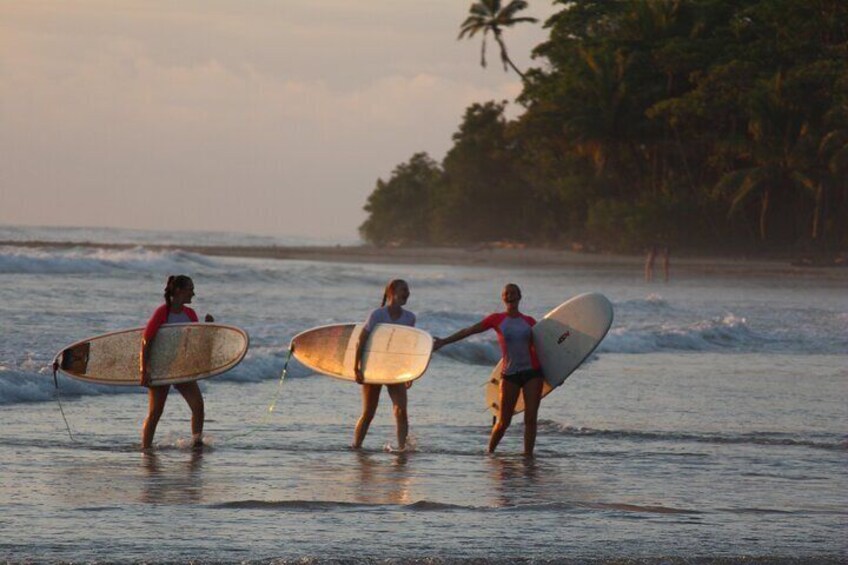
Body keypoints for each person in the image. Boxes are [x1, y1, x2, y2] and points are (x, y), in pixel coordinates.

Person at [433, 283, 543, 457]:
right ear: (503, 298)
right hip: (510, 374)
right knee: (504, 422)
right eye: (507, 293)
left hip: (533, 373)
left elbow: (545, 349)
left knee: (530, 419)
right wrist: (444, 341)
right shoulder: (496, 319)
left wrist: (559, 372)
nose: (510, 296)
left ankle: (528, 458)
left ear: (520, 296)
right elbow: (470, 331)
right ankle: (490, 453)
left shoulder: (529, 322)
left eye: (514, 293)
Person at [140, 275, 213, 450]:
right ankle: (145, 449)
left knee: (198, 406)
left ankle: (196, 444)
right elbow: (146, 340)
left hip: (181, 368)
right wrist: (145, 369)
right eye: (190, 289)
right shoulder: (162, 312)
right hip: (160, 367)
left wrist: (209, 327)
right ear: (179, 290)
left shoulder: (190, 314)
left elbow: (195, 342)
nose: (193, 293)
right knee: (156, 412)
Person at [353, 279, 416, 451]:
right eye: (404, 290)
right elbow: (361, 341)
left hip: (395, 369)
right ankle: (356, 447)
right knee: (369, 413)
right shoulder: (378, 315)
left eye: (408, 290)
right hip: (373, 367)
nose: (407, 293)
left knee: (401, 411)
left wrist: (411, 372)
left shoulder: (410, 318)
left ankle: (402, 449)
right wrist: (356, 367)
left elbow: (407, 347)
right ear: (392, 292)